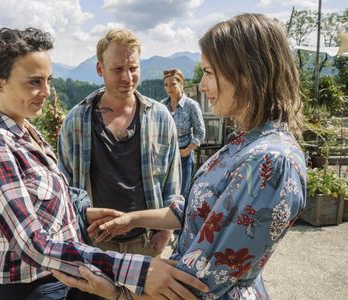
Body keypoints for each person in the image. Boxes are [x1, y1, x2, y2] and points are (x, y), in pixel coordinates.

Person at [53, 13, 307, 300]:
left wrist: (115, 292)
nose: (200, 86)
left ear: (245, 74)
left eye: (209, 73)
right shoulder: (246, 143)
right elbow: (194, 209)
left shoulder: (270, 163)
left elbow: (200, 284)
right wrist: (131, 219)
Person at [0, 27, 208, 300]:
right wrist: (137, 270)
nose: (46, 91)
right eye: (34, 82)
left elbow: (54, 198)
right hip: (33, 288)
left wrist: (82, 211)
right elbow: (33, 244)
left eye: (48, 80)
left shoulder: (26, 132)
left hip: (68, 275)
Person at [58, 29, 181, 257]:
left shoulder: (161, 117)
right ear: (99, 69)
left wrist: (165, 233)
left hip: (145, 242)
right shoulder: (76, 120)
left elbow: (172, 184)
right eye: (117, 69)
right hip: (94, 243)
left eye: (133, 68)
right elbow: (64, 186)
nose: (127, 77)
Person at [162, 68, 205, 197]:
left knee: (181, 195)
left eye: (173, 84)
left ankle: (182, 218)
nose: (169, 88)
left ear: (181, 84)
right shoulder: (162, 106)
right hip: (166, 157)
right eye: (166, 85)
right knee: (166, 193)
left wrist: (188, 150)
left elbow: (200, 132)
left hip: (184, 157)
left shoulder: (191, 106)